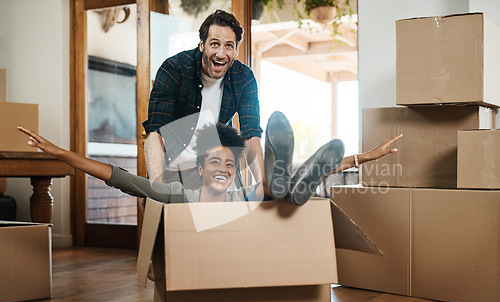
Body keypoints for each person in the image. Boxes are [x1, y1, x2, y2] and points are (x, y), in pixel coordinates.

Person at [17, 112, 402, 205]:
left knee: (271, 190)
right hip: (259, 203)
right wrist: (61, 154)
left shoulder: (240, 193)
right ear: (199, 167)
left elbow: (256, 187)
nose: (223, 169)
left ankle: (286, 180)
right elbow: (118, 177)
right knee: (275, 190)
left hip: (258, 204)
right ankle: (286, 182)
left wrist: (364, 157)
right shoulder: (178, 195)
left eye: (230, 164)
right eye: (215, 162)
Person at [142, 9, 264, 190]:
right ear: (202, 45)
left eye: (229, 46)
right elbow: (156, 134)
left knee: (231, 214)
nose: (221, 54)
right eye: (215, 44)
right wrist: (156, 187)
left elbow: (251, 137)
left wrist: (264, 186)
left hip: (217, 165)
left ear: (237, 50)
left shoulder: (244, 77)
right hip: (175, 165)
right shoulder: (174, 69)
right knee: (164, 215)